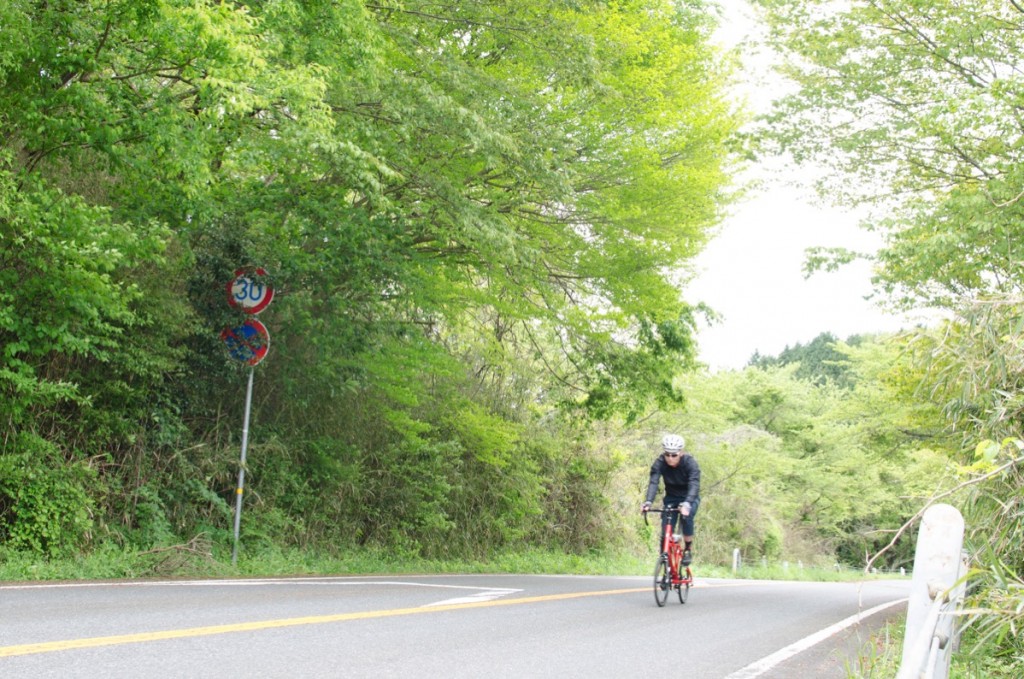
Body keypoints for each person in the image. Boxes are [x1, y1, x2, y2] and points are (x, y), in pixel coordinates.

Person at [641, 434, 701, 566]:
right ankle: (664, 558)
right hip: (672, 497)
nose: (670, 458)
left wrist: (687, 503)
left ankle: (688, 549)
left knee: (687, 516)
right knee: (666, 527)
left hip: (689, 497)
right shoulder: (660, 463)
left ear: (681, 453)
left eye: (674, 455)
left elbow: (694, 484)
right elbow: (654, 482)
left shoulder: (690, 463)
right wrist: (648, 502)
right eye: (667, 454)